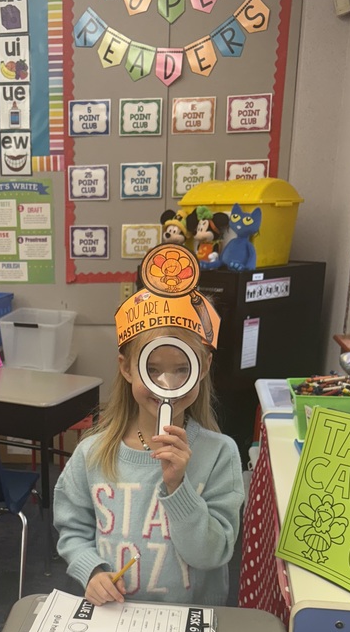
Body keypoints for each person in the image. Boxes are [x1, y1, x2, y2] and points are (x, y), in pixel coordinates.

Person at [54, 245, 244, 608]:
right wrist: (91, 570)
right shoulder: (92, 453)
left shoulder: (221, 454)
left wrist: (177, 486)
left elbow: (214, 553)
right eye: (152, 370)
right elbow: (73, 529)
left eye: (182, 369)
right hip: (116, 614)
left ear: (202, 369)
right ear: (127, 368)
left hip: (189, 622)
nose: (167, 384)